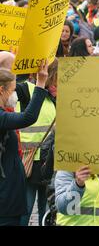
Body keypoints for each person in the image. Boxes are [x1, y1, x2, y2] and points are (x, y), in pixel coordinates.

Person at [0, 62, 49, 226]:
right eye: (13, 90)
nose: (15, 95)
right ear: (2, 90)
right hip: (5, 201)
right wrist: (41, 83)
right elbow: (28, 117)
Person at [16, 60, 58, 226]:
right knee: (26, 208)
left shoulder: (57, 99)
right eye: (56, 81)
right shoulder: (28, 89)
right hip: (30, 161)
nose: (58, 86)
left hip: (49, 162)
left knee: (47, 210)